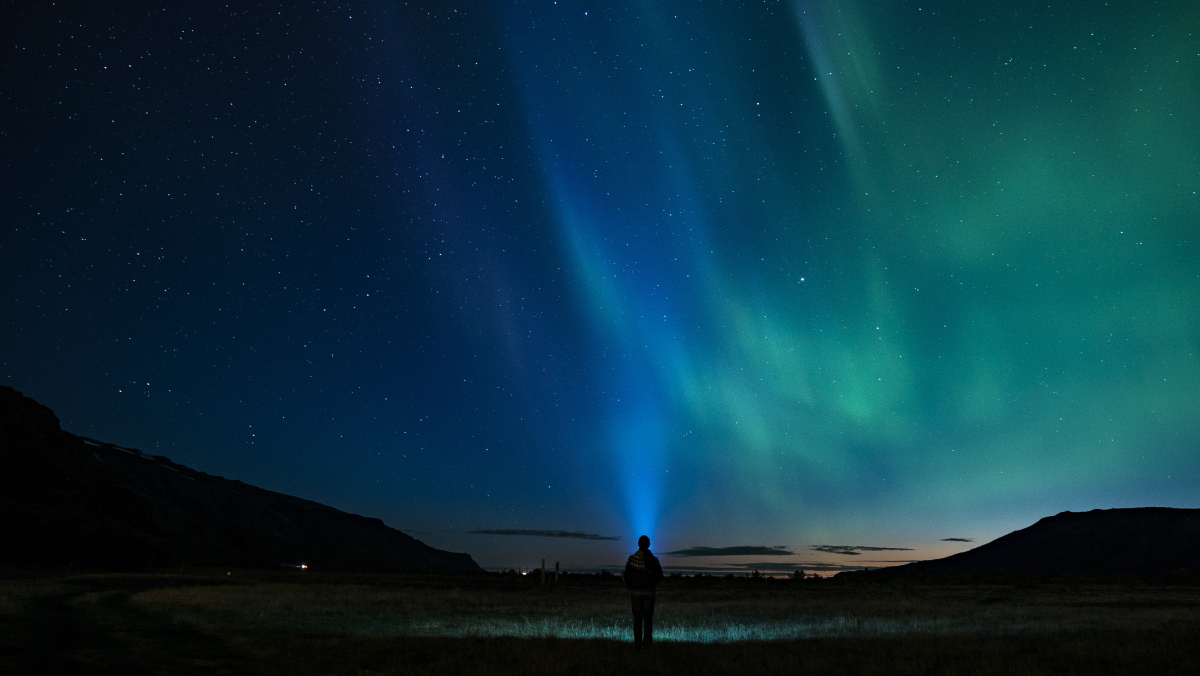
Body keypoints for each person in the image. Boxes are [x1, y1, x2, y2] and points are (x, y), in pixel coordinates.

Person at [623, 534, 664, 650]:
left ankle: (638, 645)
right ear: (649, 545)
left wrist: (631, 588)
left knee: (637, 620)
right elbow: (660, 576)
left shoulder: (631, 560)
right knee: (648, 621)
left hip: (635, 595)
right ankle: (647, 645)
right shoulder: (654, 560)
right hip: (650, 594)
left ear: (638, 544)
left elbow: (627, 577)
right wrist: (650, 584)